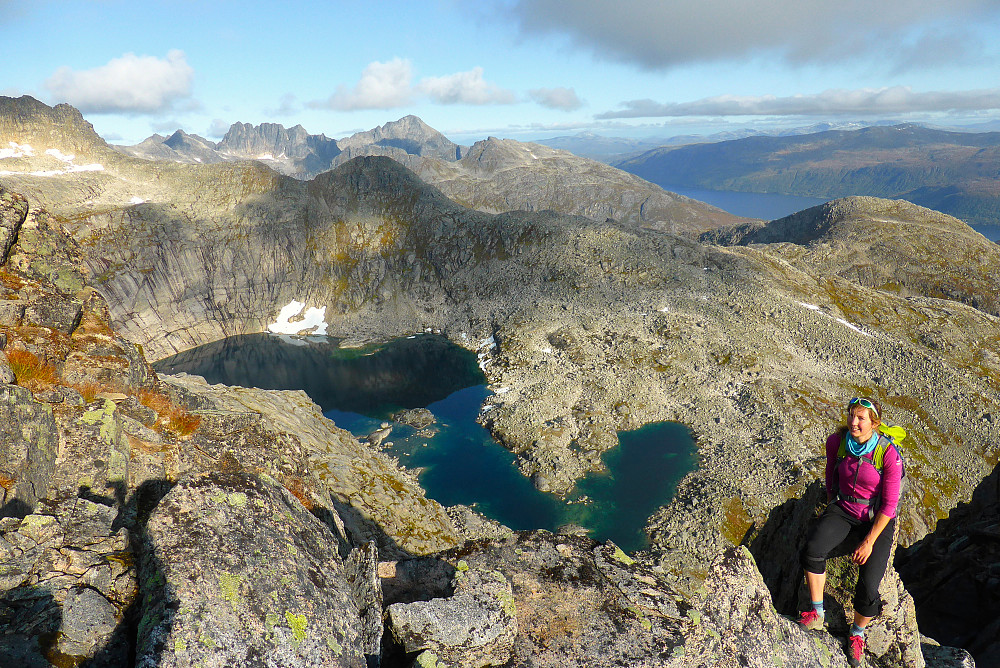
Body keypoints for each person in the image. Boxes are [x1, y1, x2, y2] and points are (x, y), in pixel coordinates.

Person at [796, 397, 903, 668]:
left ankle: (857, 634)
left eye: (861, 418)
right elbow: (831, 473)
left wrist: (868, 542)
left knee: (868, 587)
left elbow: (890, 506)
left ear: (874, 423)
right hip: (843, 509)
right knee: (812, 550)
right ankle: (817, 612)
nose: (853, 422)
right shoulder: (838, 442)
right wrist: (832, 502)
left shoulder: (888, 454)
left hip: (875, 518)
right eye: (851, 416)